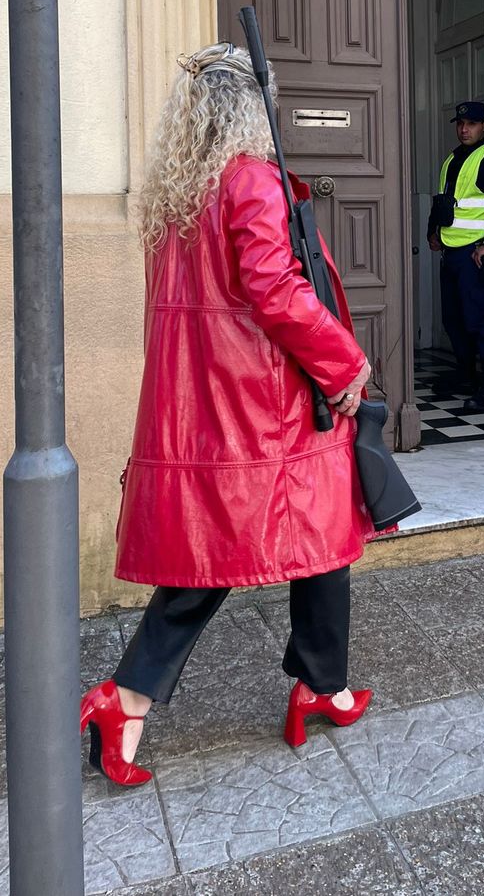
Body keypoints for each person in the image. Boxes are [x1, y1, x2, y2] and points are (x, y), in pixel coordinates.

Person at [80, 43, 376, 788]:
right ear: (253, 106)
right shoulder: (250, 180)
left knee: (238, 552)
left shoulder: (181, 193)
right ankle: (311, 685)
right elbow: (276, 289)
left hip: (206, 401)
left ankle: (135, 701)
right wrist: (343, 362)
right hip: (266, 401)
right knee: (320, 525)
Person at [427, 100, 484, 412]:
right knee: (454, 319)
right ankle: (466, 373)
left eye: (472, 124)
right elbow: (444, 201)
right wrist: (433, 231)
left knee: (480, 318)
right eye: (460, 123)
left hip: (475, 255)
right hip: (452, 253)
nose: (464, 129)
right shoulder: (453, 158)